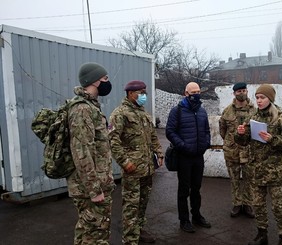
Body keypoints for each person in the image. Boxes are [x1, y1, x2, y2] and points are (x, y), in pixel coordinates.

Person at [236, 84, 282, 245]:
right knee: (258, 205)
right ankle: (262, 235)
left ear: (270, 98)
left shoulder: (281, 118)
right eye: (257, 97)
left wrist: (272, 139)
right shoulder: (254, 117)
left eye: (262, 97)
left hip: (275, 172)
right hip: (257, 170)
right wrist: (240, 134)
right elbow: (244, 142)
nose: (259, 101)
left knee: (278, 207)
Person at [108, 80, 164, 244]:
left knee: (143, 202)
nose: (144, 96)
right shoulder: (120, 113)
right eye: (141, 93)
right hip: (132, 169)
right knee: (131, 204)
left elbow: (153, 136)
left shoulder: (144, 114)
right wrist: (124, 162)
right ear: (130, 94)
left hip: (147, 168)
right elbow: (112, 141)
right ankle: (130, 237)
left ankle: (138, 229)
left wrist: (159, 153)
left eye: (145, 92)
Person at [67, 62, 115, 245]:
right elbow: (81, 151)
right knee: (95, 236)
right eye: (105, 78)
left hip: (95, 184)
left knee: (88, 233)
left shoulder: (91, 106)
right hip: (90, 189)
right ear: (94, 81)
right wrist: (94, 190)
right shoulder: (82, 109)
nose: (107, 82)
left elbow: (92, 143)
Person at [165, 82, 211, 233]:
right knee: (184, 190)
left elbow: (206, 130)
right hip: (184, 157)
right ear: (186, 93)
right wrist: (183, 145)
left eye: (198, 91)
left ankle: (197, 216)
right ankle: (184, 220)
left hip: (198, 156)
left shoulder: (202, 111)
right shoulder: (177, 111)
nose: (196, 94)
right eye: (193, 92)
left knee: (196, 189)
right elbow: (170, 132)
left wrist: (206, 143)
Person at [219, 82, 257, 218]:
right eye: (239, 91)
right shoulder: (227, 111)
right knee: (234, 179)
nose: (242, 93)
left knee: (249, 179)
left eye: (244, 90)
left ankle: (247, 204)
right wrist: (230, 142)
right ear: (234, 93)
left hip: (249, 151)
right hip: (232, 151)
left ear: (247, 91)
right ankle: (236, 203)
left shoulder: (255, 110)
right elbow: (222, 130)